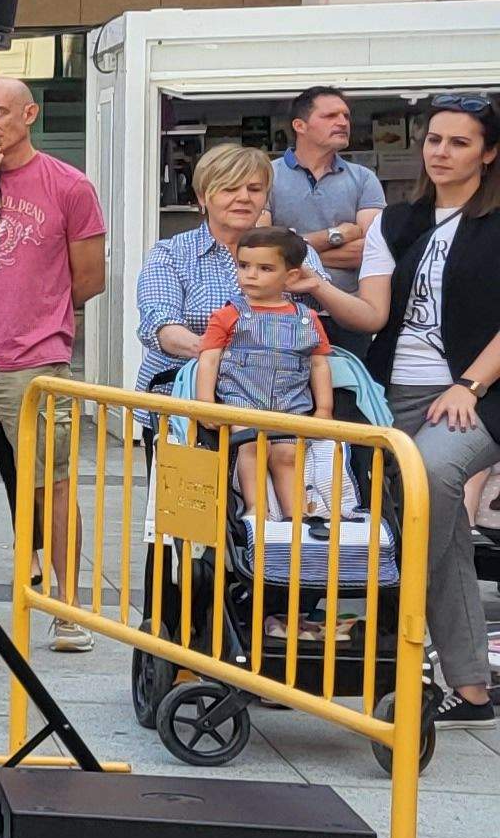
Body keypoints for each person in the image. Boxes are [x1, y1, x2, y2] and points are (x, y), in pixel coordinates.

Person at [0, 76, 107, 647]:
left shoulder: (68, 185)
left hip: (33, 358)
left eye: (0, 113)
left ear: (30, 114)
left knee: (52, 483)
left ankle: (67, 607)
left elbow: (89, 278)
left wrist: (37, 312)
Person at [364, 93, 500, 724]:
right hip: (396, 388)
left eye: (460, 142)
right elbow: (374, 314)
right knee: (436, 528)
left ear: (489, 153)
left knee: (430, 483)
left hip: (477, 393)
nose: (441, 152)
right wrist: (308, 286)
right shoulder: (397, 221)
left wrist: (467, 386)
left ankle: (387, 638)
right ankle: (472, 688)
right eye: (435, 140)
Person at [129, 143, 383, 391]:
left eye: (254, 189)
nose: (243, 198)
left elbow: (351, 320)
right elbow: (161, 327)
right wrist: (228, 357)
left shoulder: (293, 250)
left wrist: (317, 286)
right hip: (182, 405)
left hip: (277, 405)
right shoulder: (172, 254)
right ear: (202, 196)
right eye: (229, 189)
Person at [193, 226, 340, 523]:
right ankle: (255, 508)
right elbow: (208, 360)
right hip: (242, 400)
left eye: (265, 268)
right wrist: (205, 401)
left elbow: (319, 364)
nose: (250, 274)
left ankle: (295, 515)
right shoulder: (229, 314)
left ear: (292, 276)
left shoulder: (307, 318)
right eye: (243, 265)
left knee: (288, 454)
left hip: (291, 403)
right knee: (251, 446)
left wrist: (324, 408)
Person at [268, 87, 386, 364]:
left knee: (345, 401)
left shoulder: (364, 179)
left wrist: (293, 253)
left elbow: (367, 253)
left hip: (346, 315)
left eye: (346, 115)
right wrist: (336, 234)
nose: (343, 122)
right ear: (300, 125)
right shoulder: (266, 175)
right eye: (330, 115)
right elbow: (264, 247)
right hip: (281, 314)